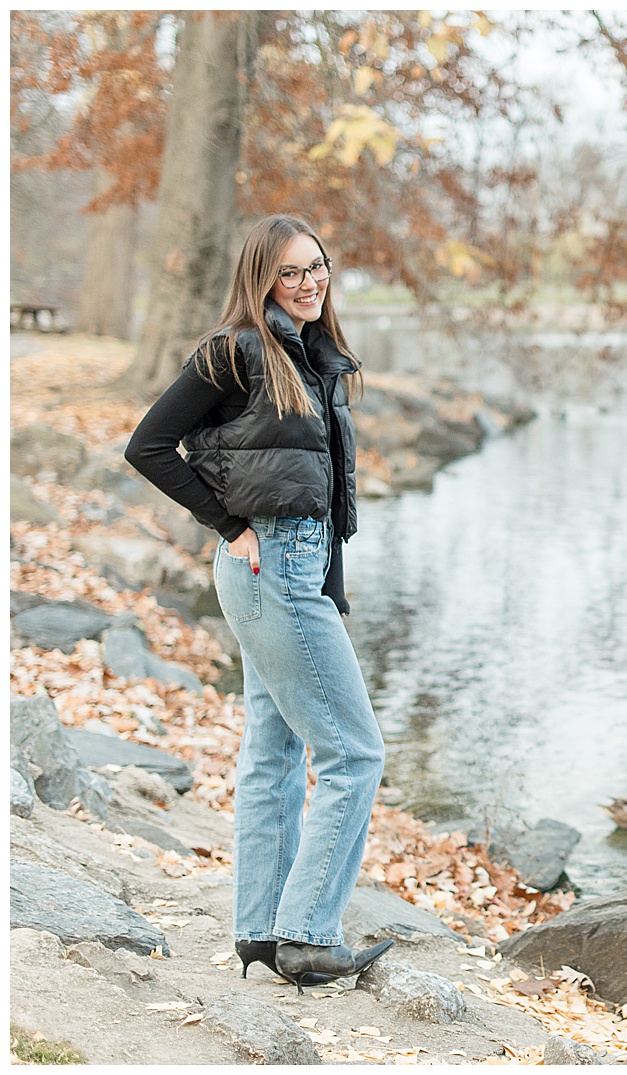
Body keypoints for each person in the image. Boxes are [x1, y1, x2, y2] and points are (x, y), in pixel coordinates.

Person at [126, 214, 391, 992]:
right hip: (265, 561)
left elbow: (324, 489)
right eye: (291, 273)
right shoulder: (236, 351)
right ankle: (307, 933)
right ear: (260, 280)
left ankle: (261, 929)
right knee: (356, 752)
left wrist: (328, 586)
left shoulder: (315, 357)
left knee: (274, 752)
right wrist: (229, 524)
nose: (310, 283)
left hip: (297, 565)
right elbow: (146, 445)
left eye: (318, 267)